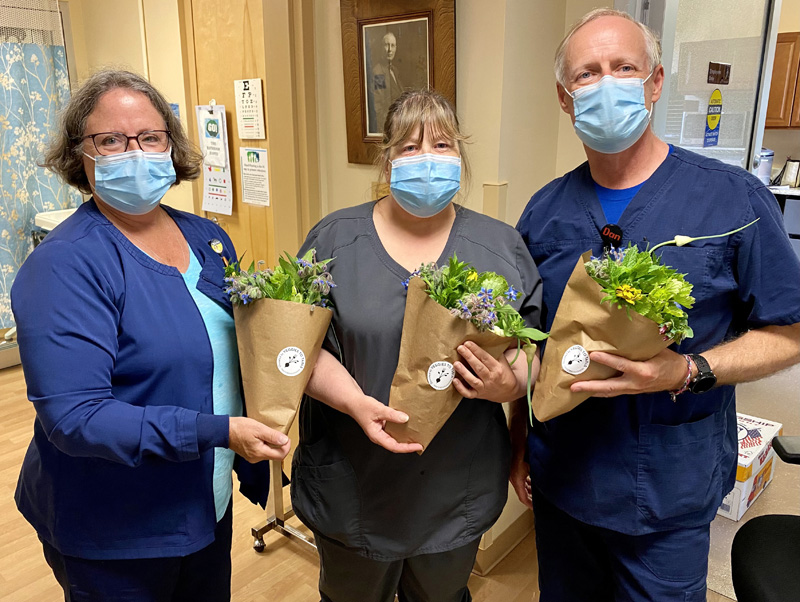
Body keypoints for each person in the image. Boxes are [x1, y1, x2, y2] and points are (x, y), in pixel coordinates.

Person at [514, 9, 800, 601]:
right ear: (565, 99)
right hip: (563, 481)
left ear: (657, 81)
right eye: (588, 74)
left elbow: (791, 332)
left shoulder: (731, 200)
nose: (607, 84)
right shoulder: (543, 213)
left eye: (625, 68)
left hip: (669, 493)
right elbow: (527, 344)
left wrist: (689, 370)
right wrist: (518, 444)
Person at [12, 69, 291, 601]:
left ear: (172, 145)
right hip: (117, 530)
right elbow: (76, 418)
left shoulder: (207, 238)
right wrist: (218, 432)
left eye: (151, 137)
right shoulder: (66, 265)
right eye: (110, 140)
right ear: (80, 154)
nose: (134, 152)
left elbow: (241, 345)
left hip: (202, 502)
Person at [293, 89, 543, 602]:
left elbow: (533, 347)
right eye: (409, 147)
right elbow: (295, 347)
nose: (427, 158)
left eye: (443, 144)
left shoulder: (499, 247)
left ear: (461, 156)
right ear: (386, 159)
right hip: (354, 486)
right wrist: (352, 402)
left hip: (455, 489)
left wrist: (509, 382)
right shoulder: (335, 241)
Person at [370, 31, 404, 133]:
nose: (390, 50)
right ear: (381, 48)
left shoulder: (394, 70)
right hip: (390, 128)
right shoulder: (378, 73)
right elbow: (379, 107)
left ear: (396, 48)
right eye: (386, 45)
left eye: (392, 46)